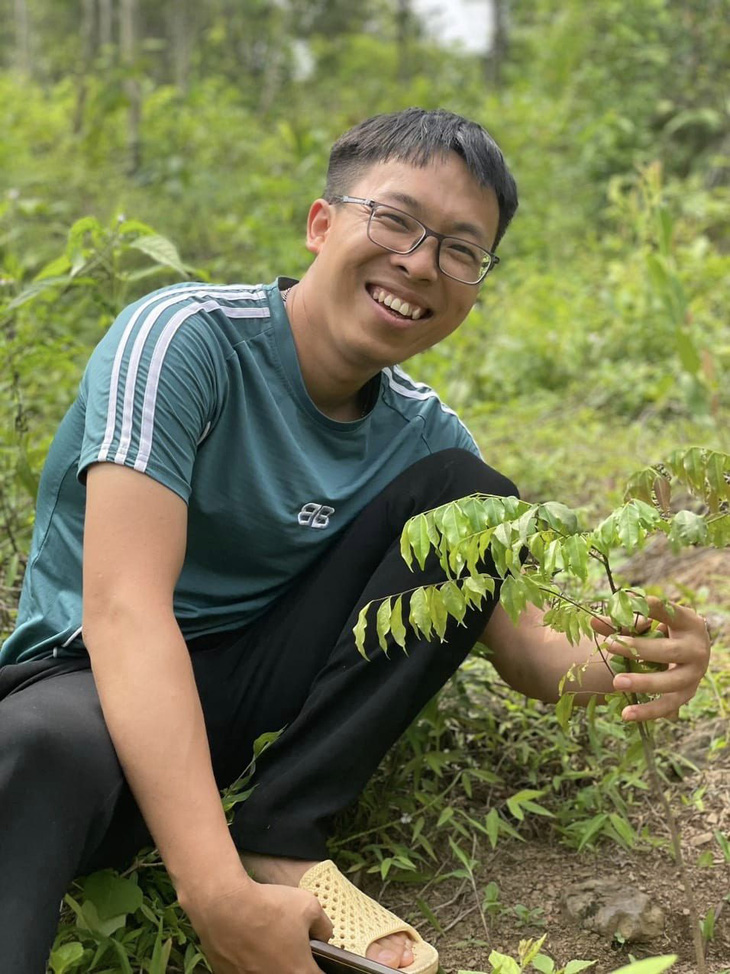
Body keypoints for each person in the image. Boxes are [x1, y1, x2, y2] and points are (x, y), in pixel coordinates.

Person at [0, 108, 711, 974]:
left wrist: (643, 656)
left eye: (461, 248)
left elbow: (528, 653)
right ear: (321, 222)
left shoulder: (429, 438)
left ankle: (282, 836)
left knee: (466, 498)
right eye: (396, 219)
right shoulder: (185, 341)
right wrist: (216, 898)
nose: (419, 262)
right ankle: (213, 862)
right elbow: (122, 612)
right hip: (97, 691)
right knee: (30, 751)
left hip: (257, 698)